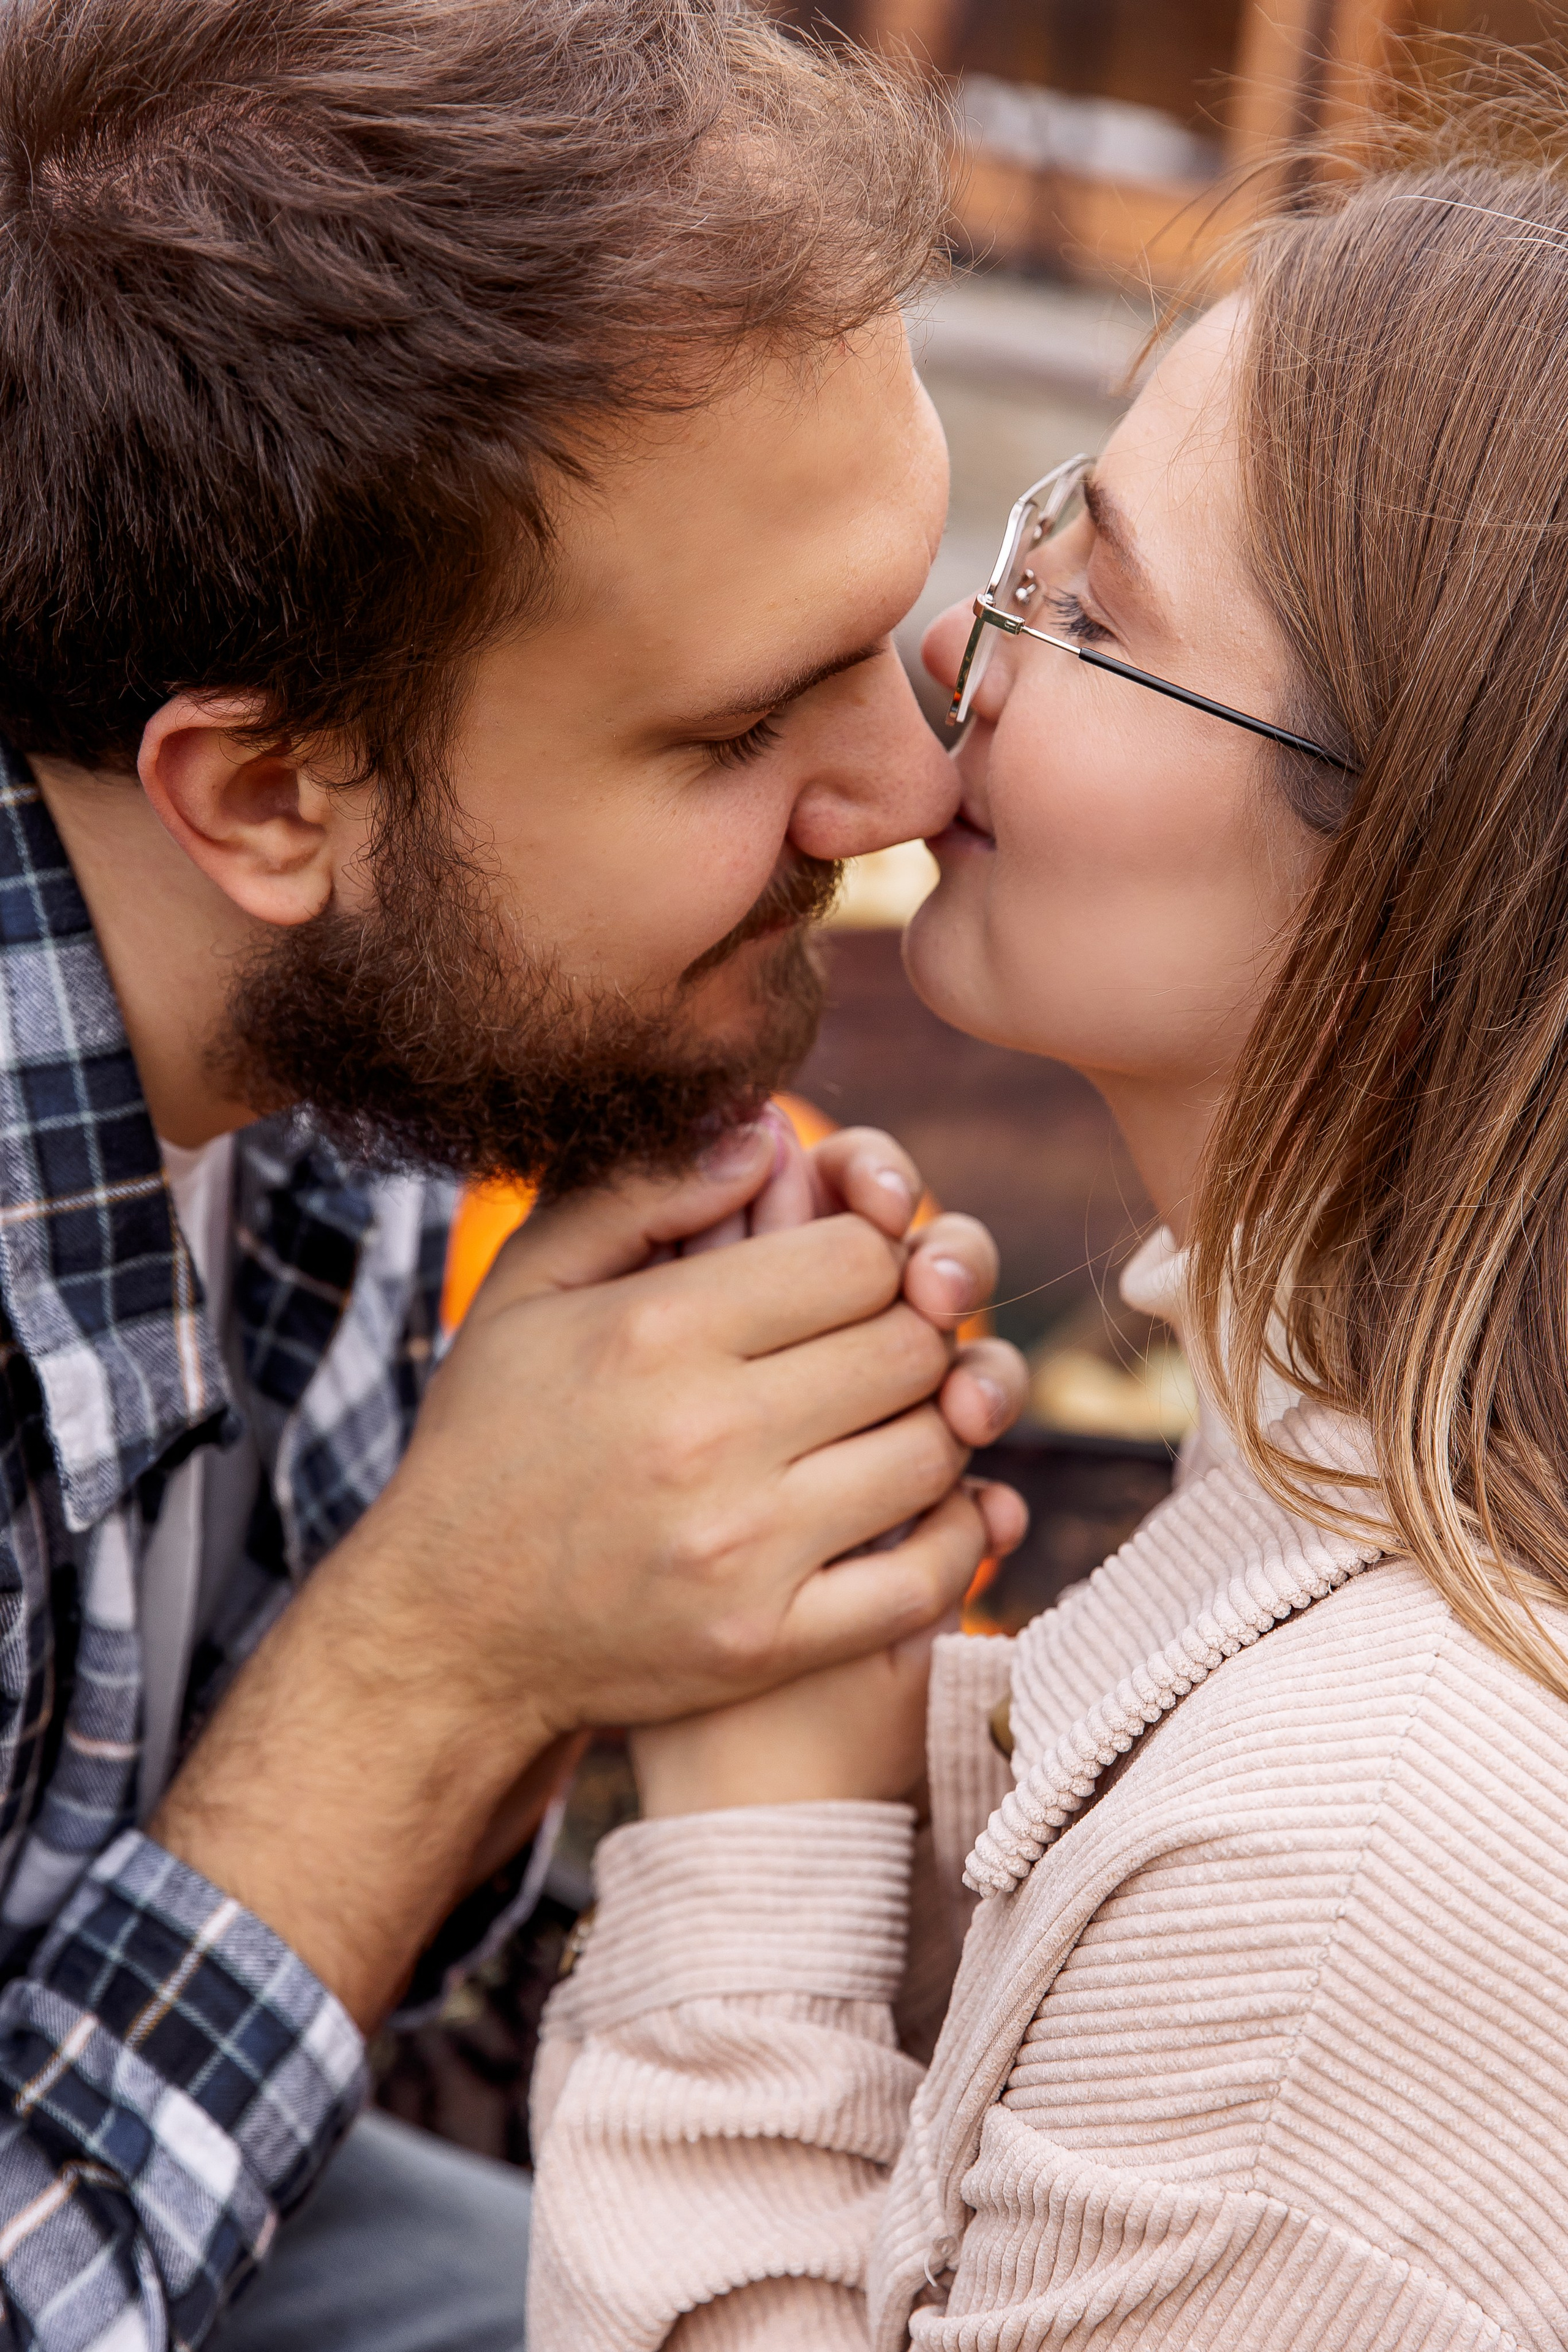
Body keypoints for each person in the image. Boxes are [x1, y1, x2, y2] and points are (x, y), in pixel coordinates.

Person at [0, 3, 1037, 2348]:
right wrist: (448, 1649)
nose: (907, 789)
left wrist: (627, 1562)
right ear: (265, 798)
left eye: (894, 617)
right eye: (743, 721)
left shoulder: (350, 1021)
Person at [530, 94, 1568, 2351]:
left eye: (1090, 605)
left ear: (1422, 867)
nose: (944, 666)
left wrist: (756, 1853)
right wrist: (885, 1705)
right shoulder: (1356, 1486)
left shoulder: (1377, 1856)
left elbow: (1311, 1954)